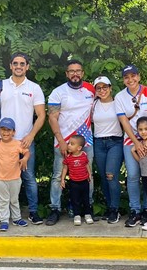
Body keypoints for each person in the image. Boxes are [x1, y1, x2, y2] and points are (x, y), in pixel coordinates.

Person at [0, 52, 46, 225]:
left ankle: (33, 212)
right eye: (15, 63)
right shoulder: (0, 86)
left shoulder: (34, 88)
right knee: (1, 177)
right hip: (3, 141)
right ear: (10, 66)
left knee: (28, 177)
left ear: (27, 67)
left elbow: (41, 115)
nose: (18, 66)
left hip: (24, 141)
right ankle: (2, 213)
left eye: (22, 64)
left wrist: (31, 135)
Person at [115, 64, 147, 228]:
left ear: (139, 76)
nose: (130, 79)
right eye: (126, 77)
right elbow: (124, 122)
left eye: (133, 76)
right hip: (132, 139)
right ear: (123, 80)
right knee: (133, 175)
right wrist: (137, 143)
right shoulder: (120, 97)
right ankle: (135, 210)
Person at [46, 59, 95, 226]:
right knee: (58, 176)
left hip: (85, 143)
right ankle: (55, 209)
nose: (75, 74)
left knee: (88, 176)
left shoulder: (91, 90)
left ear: (82, 73)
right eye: (71, 71)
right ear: (67, 74)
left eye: (78, 71)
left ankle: (86, 208)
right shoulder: (58, 92)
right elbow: (52, 117)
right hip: (63, 142)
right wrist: (61, 141)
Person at [0, 117, 30, 232]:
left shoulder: (18, 144)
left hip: (15, 178)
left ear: (13, 132)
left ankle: (16, 218)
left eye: (8, 130)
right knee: (3, 201)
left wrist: (25, 159)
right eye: (3, 130)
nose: (6, 133)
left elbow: (27, 152)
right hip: (0, 179)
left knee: (14, 200)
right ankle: (4, 220)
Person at [91, 75, 124, 224]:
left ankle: (115, 209)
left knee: (111, 175)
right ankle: (110, 207)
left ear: (110, 88)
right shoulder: (93, 104)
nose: (102, 90)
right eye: (98, 88)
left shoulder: (118, 103)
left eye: (105, 87)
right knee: (104, 177)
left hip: (115, 142)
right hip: (98, 142)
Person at [61, 135, 93, 226]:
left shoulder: (84, 155)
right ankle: (77, 215)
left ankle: (87, 214)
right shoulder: (68, 157)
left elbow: (87, 165)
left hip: (84, 181)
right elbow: (65, 168)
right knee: (75, 199)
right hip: (73, 182)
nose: (68, 145)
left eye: (72, 144)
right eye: (68, 143)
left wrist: (89, 174)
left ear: (79, 148)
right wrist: (62, 179)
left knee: (86, 198)